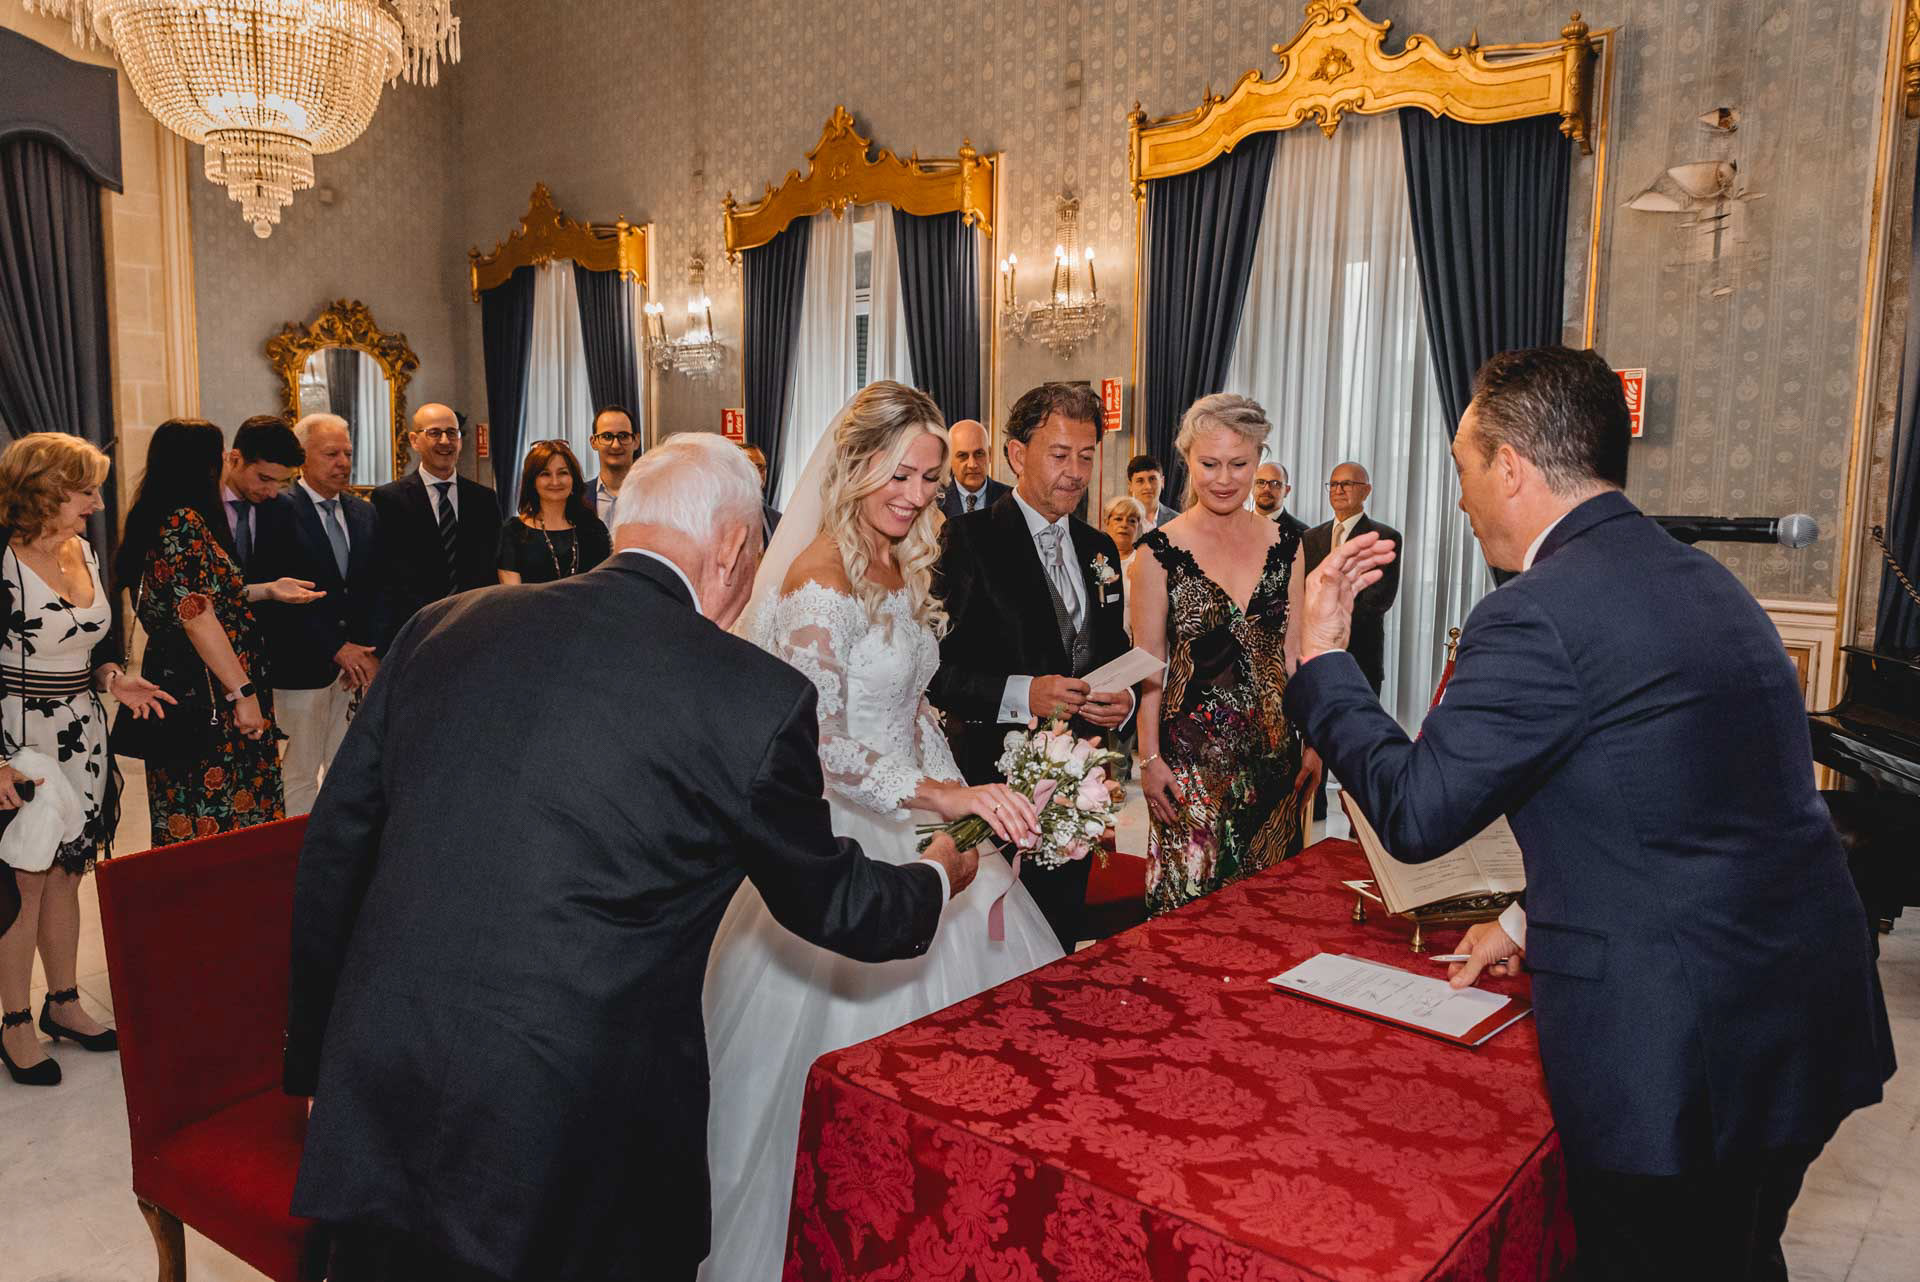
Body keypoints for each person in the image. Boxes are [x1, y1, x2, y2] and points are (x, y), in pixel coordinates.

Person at [285, 432, 977, 1282]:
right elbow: (833, 904)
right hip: (572, 1121)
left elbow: (335, 852)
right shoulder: (750, 697)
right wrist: (939, 873)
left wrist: (317, 1062)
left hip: (383, 1077)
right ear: (733, 547)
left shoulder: (444, 624)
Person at [1285, 346, 1894, 1282]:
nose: (1460, 499)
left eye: (1462, 468)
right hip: (1801, 1010)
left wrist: (1324, 658)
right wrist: (1525, 919)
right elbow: (1677, 801)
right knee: (1735, 1254)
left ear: (1510, 467)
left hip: (1683, 1053)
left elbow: (1416, 811)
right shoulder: (1701, 578)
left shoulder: (1536, 611)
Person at [702, 381, 1059, 1282]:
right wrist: (940, 796)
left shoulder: (896, 560)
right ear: (855, 465)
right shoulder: (819, 578)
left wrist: (969, 795)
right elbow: (821, 746)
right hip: (851, 841)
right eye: (899, 475)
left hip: (925, 808)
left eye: (930, 479)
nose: (916, 494)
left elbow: (908, 707)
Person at [930, 382, 1135, 951]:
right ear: (1018, 455)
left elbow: (1111, 649)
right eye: (1060, 454)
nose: (1076, 472)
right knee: (998, 950)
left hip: (1080, 791)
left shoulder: (1100, 549)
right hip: (994, 787)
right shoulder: (967, 540)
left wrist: (1124, 701)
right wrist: (1024, 694)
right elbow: (938, 673)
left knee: (1060, 942)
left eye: (1087, 456)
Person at [0, 435, 172, 1086]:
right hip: (17, 737)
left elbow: (91, 647)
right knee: (25, 879)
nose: (98, 503)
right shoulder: (4, 558)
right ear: (44, 490)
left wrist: (112, 679)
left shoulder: (85, 550)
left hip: (81, 729)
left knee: (68, 871)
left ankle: (64, 1001)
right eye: (86, 490)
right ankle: (14, 1021)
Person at [1131, 395, 1318, 915]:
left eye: (1239, 464)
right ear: (1187, 460)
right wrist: (1149, 759)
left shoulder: (1290, 545)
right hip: (1190, 769)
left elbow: (1296, 653)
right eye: (1209, 463)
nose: (1223, 479)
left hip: (1275, 760)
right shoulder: (1156, 552)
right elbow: (1149, 668)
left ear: (1259, 459)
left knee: (1269, 917)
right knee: (1188, 917)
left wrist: (1315, 740)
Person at [116, 419, 320, 848]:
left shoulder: (165, 517)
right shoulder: (183, 521)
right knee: (215, 826)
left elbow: (201, 594)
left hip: (203, 687)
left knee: (210, 825)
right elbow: (196, 615)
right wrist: (242, 693)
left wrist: (267, 589)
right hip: (208, 696)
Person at [252, 414, 385, 816]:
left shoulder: (363, 512)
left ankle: (337, 847)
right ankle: (297, 850)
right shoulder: (276, 509)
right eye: (330, 454)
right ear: (303, 457)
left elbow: (375, 587)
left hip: (353, 671)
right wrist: (335, 647)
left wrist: (367, 650)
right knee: (299, 773)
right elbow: (275, 597)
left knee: (348, 772)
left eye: (347, 453)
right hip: (300, 666)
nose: (342, 462)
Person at [370, 404, 502, 645]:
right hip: (415, 631)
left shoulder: (484, 499)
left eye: (452, 433)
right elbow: (386, 575)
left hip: (475, 629)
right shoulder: (388, 500)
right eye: (434, 433)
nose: (445, 441)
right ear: (414, 440)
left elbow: (490, 568)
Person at [1300, 461, 1400, 693]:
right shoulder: (1310, 537)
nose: (1338, 490)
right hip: (1313, 655)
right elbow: (1303, 591)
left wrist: (1331, 620)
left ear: (1366, 491)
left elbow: (1380, 599)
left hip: (1361, 656)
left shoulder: (1384, 536)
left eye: (1347, 484)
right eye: (1333, 484)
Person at [497, 440, 611, 585]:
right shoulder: (513, 532)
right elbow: (513, 595)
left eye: (562, 473)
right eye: (545, 474)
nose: (555, 482)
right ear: (532, 482)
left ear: (573, 479)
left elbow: (604, 586)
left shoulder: (594, 529)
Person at [220, 415, 304, 578]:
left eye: (283, 482)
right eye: (264, 479)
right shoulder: (198, 506)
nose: (272, 493)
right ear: (235, 459)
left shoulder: (284, 508)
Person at [938, 418, 1010, 518]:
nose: (972, 465)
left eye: (979, 454)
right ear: (949, 458)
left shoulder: (1010, 500)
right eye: (963, 456)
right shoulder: (934, 502)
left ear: (989, 454)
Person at [580, 404, 636, 528]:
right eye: (607, 437)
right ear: (593, 442)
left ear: (636, 441)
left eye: (623, 436)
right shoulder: (578, 498)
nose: (615, 445)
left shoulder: (653, 495)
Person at [1253, 461, 1308, 541]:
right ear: (1251, 487)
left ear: (1286, 490)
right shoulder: (1236, 525)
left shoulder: (1304, 534)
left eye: (1275, 483)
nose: (1267, 489)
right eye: (1261, 482)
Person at [1126, 452, 1180, 529]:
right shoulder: (1121, 521)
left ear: (1162, 482)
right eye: (1140, 481)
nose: (1148, 486)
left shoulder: (1178, 521)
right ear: (1130, 485)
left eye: (1152, 479)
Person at [740, 443, 781, 540]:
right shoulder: (720, 516)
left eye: (761, 467)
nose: (757, 472)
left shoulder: (777, 519)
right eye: (750, 466)